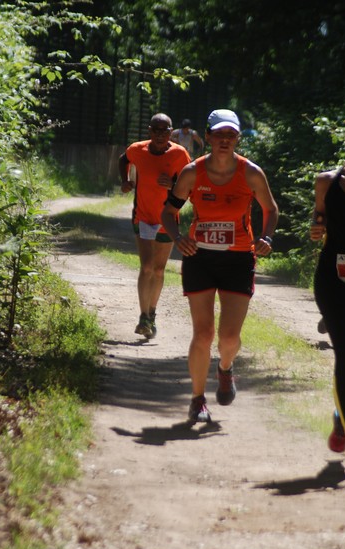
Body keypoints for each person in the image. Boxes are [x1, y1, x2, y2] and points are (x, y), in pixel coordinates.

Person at [161, 109, 279, 423]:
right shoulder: (191, 173)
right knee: (202, 334)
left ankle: (225, 368)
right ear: (209, 137)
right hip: (199, 257)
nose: (225, 140)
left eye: (231, 135)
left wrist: (266, 236)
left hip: (239, 259)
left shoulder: (251, 173)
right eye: (219, 134)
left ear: (238, 138)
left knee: (228, 337)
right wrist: (177, 237)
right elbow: (167, 212)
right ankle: (197, 400)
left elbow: (270, 208)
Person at [310, 115, 345, 464]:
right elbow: (319, 219)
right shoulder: (326, 182)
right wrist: (317, 228)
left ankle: (340, 417)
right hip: (333, 280)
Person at [119, 113, 191, 339]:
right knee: (147, 266)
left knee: (159, 270)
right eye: (156, 130)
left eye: (165, 131)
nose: (160, 135)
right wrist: (125, 180)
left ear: (172, 133)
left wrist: (173, 185)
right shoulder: (138, 150)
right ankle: (142, 317)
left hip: (167, 219)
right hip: (143, 216)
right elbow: (124, 159)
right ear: (149, 131)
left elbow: (190, 182)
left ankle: (152, 313)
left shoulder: (180, 154)